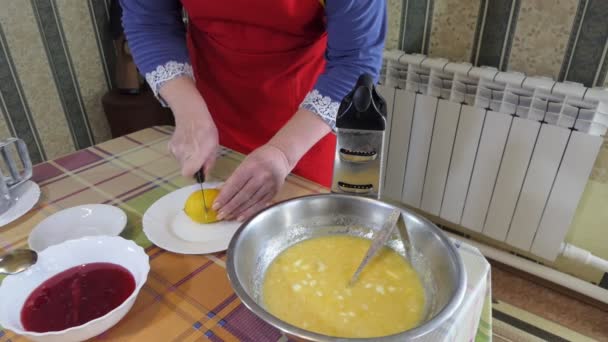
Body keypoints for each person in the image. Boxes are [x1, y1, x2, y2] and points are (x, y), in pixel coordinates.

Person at [120, 0, 386, 221]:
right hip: (213, 103)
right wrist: (189, 112)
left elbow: (354, 59)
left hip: (308, 119)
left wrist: (283, 153)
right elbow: (149, 23)